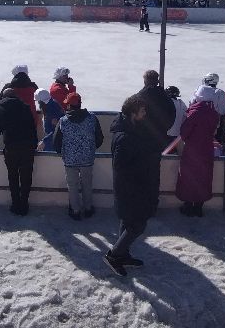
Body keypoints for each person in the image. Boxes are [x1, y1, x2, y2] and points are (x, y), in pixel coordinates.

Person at [104, 95, 157, 276]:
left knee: (127, 222)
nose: (145, 113)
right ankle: (114, 255)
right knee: (138, 224)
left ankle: (123, 255)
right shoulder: (125, 137)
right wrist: (142, 168)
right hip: (131, 189)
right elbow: (121, 165)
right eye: (142, 111)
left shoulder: (131, 129)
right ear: (133, 113)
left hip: (132, 187)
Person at [53, 92, 104, 220]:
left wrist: (63, 152)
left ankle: (75, 211)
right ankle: (88, 209)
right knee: (87, 184)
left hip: (70, 160)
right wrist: (90, 149)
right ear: (80, 104)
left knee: (73, 186)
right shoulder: (92, 118)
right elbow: (99, 138)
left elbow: (56, 142)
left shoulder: (63, 121)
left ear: (69, 105)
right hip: (87, 159)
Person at [176, 85, 222, 217]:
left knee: (188, 178)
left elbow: (184, 132)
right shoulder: (214, 113)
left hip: (192, 151)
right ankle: (198, 208)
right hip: (206, 150)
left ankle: (188, 206)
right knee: (203, 178)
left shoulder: (194, 112)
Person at [0, 87, 39, 215]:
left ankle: (15, 204)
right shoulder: (25, 107)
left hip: (11, 147)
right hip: (27, 147)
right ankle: (24, 204)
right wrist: (34, 144)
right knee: (26, 177)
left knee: (12, 176)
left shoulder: (0, 109)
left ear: (3, 97)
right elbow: (32, 127)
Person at [135, 69, 175, 214]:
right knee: (153, 174)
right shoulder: (165, 97)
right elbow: (172, 116)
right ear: (157, 80)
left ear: (145, 80)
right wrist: (162, 130)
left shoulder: (140, 97)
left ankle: (141, 204)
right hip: (158, 140)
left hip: (141, 140)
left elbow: (132, 116)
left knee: (140, 173)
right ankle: (152, 206)